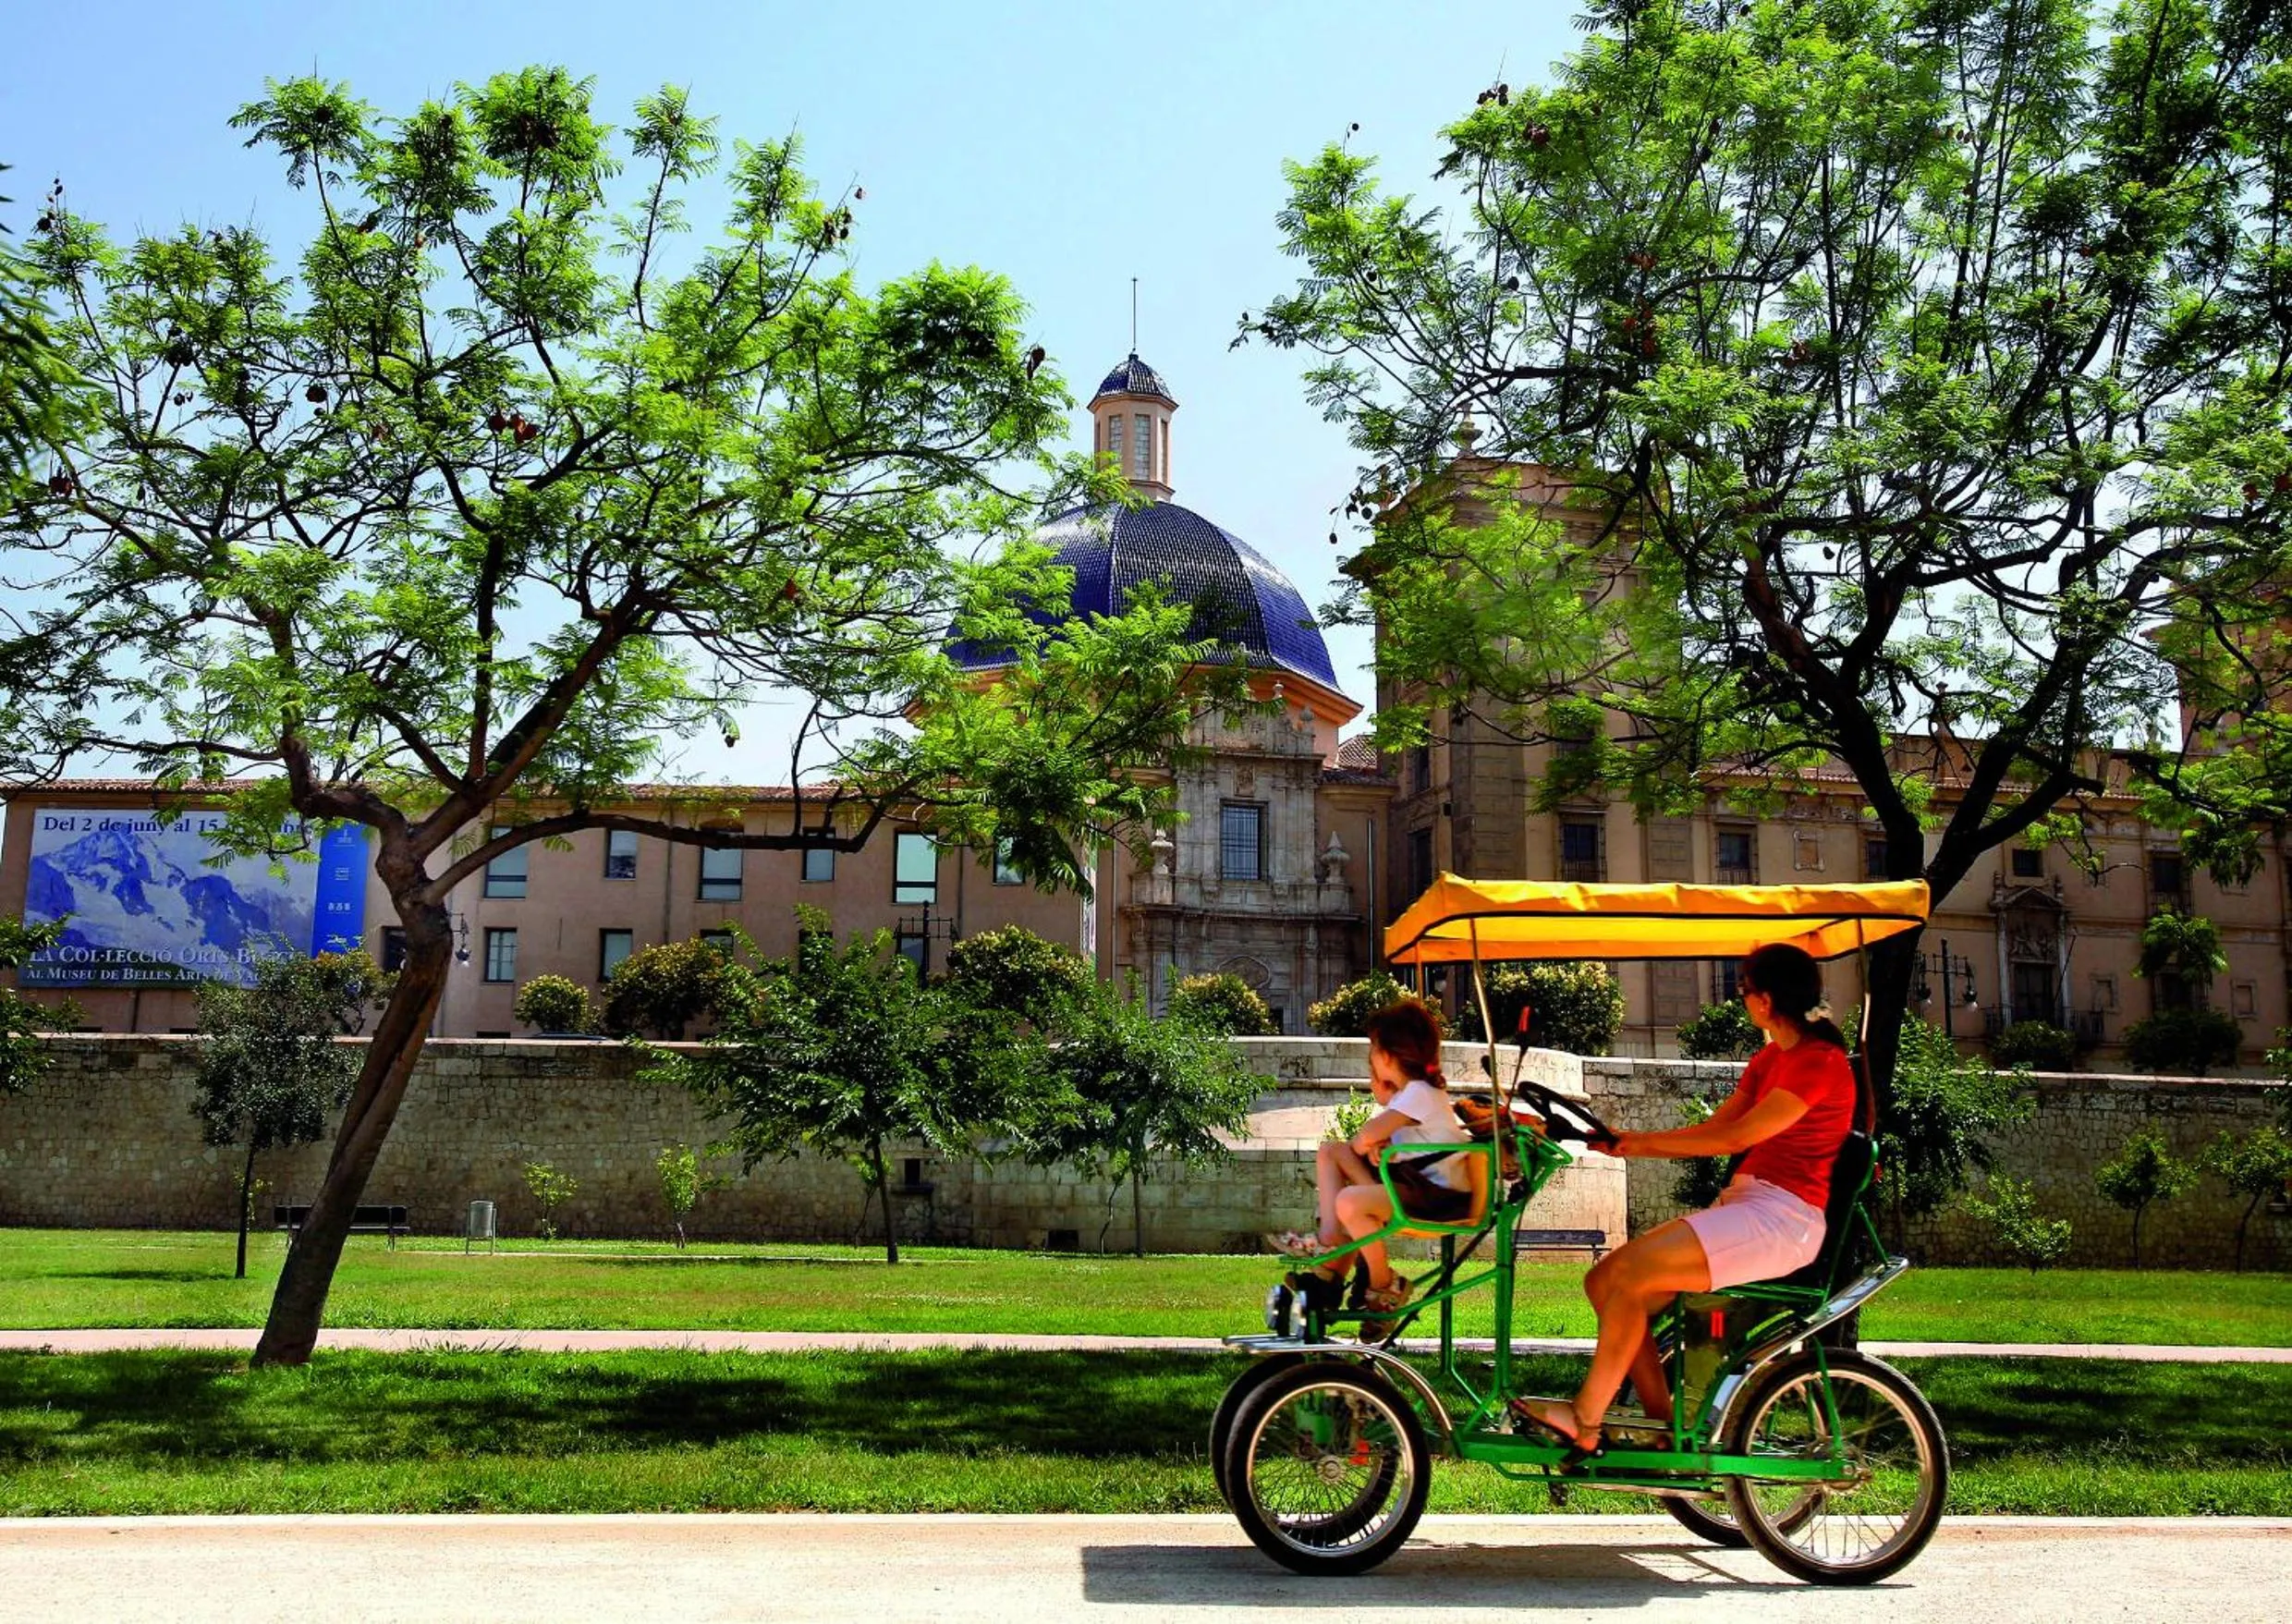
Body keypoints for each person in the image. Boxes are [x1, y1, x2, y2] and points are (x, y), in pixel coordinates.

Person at [1512, 944, 1856, 1453]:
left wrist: (1638, 1144)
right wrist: (1625, 1140)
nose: (1740, 998)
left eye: (1743, 989)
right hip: (1749, 1205)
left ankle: (1585, 1419)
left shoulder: (1819, 1064)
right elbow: (1718, 1127)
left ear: (1764, 1001)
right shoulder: (1770, 1060)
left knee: (1630, 1277)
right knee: (1604, 1281)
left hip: (1782, 1219)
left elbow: (1735, 1138)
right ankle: (1663, 1429)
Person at [1266, 996, 1472, 1321]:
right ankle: (1331, 1243)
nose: (1371, 1056)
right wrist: (1379, 1142)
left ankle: (1382, 1282)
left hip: (1435, 1197)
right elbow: (1384, 1140)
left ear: (1387, 1055)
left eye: (1373, 1047)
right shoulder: (1413, 1094)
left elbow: (1364, 1139)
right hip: (1417, 1187)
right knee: (1331, 1151)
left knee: (1350, 1201)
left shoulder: (1419, 1091)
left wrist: (1371, 1142)